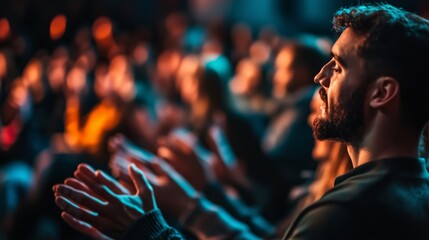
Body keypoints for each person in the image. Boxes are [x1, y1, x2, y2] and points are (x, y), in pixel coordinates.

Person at [53, 3, 429, 240]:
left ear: (382, 93)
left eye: (340, 65)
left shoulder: (343, 216)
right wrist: (197, 198)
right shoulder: (413, 190)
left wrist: (148, 231)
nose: (320, 76)